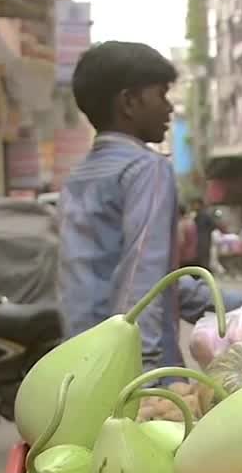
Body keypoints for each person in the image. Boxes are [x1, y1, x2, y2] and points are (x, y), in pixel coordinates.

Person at [58, 41, 182, 371]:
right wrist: (144, 368)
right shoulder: (147, 168)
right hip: (127, 366)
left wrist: (225, 302)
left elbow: (108, 269)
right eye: (161, 94)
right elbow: (142, 271)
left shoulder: (79, 175)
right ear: (129, 101)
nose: (169, 108)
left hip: (78, 357)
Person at [191, 197, 216, 271]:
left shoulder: (205, 215)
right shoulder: (196, 216)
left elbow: (213, 226)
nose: (194, 206)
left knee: (203, 261)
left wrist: (205, 233)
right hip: (198, 242)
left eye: (195, 204)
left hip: (204, 242)